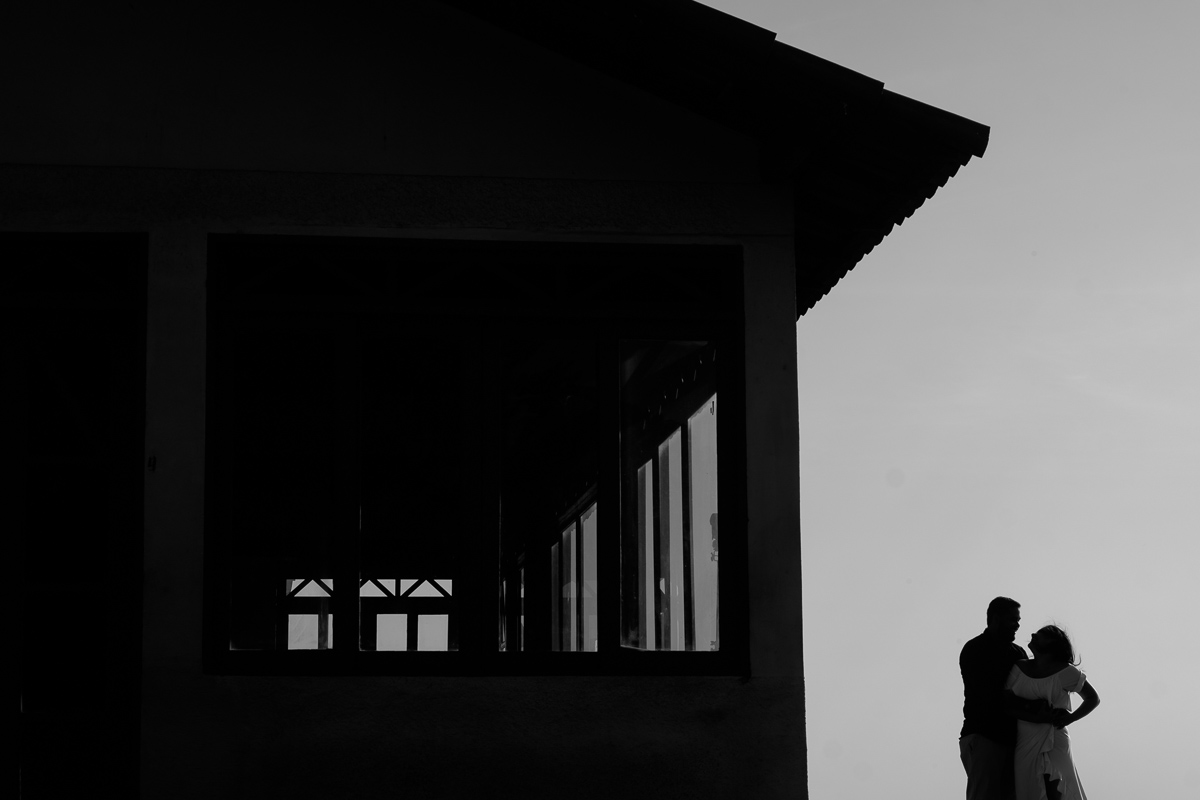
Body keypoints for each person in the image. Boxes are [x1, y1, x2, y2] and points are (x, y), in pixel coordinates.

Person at [960, 597, 1063, 800]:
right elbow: (990, 696)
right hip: (984, 735)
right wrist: (1032, 707)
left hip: (1013, 742)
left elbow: (1030, 687)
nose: (1017, 625)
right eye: (1012, 620)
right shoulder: (975, 649)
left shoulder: (1017, 653)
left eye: (1018, 620)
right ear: (996, 619)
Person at [1005, 625, 1100, 800]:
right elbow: (1006, 702)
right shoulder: (1019, 668)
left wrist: (1070, 718)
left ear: (1052, 644)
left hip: (1054, 738)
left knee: (1056, 790)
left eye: (1040, 635)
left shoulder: (1066, 672)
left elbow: (1093, 698)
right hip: (1025, 739)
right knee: (1029, 790)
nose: (1033, 635)